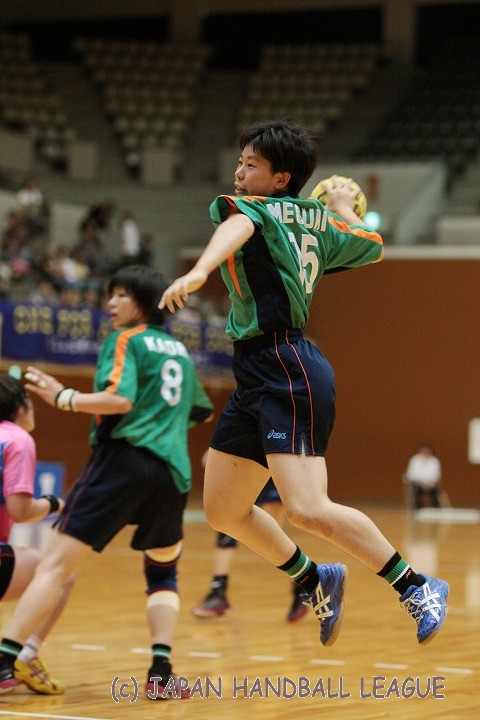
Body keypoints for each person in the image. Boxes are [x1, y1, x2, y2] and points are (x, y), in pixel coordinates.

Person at [159, 119, 449, 648]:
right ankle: (314, 578)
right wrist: (340, 206)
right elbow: (372, 244)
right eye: (240, 161)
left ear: (281, 179)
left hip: (286, 365)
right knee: (223, 509)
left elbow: (235, 228)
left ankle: (417, 586)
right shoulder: (317, 223)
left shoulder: (255, 211)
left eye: (251, 164)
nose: (239, 171)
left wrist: (199, 272)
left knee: (308, 508)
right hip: (257, 370)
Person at [0, 265, 213, 700]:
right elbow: (201, 411)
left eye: (121, 295)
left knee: (55, 565)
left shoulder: (126, 340)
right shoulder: (180, 352)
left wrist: (64, 397)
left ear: (145, 301)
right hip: (172, 473)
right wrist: (161, 422)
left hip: (123, 462)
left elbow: (119, 399)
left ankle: (5, 658)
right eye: (110, 295)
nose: (110, 303)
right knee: (163, 572)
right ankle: (161, 673)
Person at [0, 375, 73, 695]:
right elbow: (21, 510)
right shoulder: (17, 439)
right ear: (20, 407)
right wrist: (55, 503)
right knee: (59, 574)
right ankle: (21, 656)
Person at [193, 474, 307, 623]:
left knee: (267, 538)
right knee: (227, 516)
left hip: (273, 466)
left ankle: (305, 580)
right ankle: (218, 591)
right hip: (241, 464)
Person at [404, 444, 442, 511]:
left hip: (431, 484)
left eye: (427, 451)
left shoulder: (434, 461)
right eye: (423, 451)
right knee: (416, 491)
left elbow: (436, 475)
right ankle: (417, 511)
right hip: (417, 483)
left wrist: (430, 483)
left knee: (435, 492)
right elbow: (411, 475)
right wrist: (421, 483)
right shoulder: (414, 460)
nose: (425, 453)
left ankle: (436, 512)